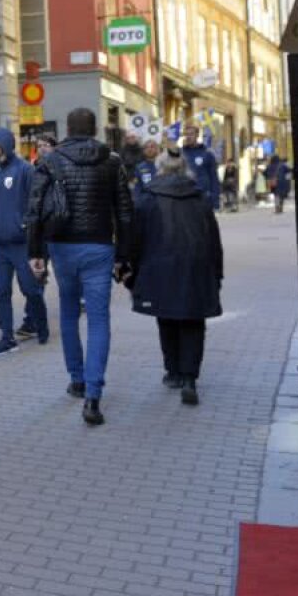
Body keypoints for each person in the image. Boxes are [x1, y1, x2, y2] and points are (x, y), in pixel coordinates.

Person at [26, 107, 132, 426]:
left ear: (67, 130)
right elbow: (125, 212)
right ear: (95, 128)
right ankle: (94, 395)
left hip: (62, 248)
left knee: (69, 313)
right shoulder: (112, 162)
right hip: (100, 246)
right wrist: (123, 256)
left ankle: (77, 379)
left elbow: (34, 209)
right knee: (99, 319)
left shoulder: (50, 160)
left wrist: (36, 252)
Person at [126, 149, 223, 406]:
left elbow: (136, 238)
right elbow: (213, 239)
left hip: (160, 265)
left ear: (160, 168)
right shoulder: (199, 198)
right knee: (193, 321)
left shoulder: (148, 198)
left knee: (166, 317)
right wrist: (217, 273)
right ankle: (190, 377)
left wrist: (131, 271)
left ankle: (173, 371)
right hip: (196, 266)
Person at [0, 129, 48, 354]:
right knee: (1, 292)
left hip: (22, 244)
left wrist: (27, 228)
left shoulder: (25, 170)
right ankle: (7, 337)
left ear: (5, 144)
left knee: (30, 289)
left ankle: (41, 323)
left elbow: (36, 204)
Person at [181, 123, 220, 211]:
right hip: (185, 197)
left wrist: (215, 200)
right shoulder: (180, 154)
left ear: (197, 135)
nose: (188, 137)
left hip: (203, 197)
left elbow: (214, 178)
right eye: (186, 134)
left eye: (191, 134)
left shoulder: (207, 154)